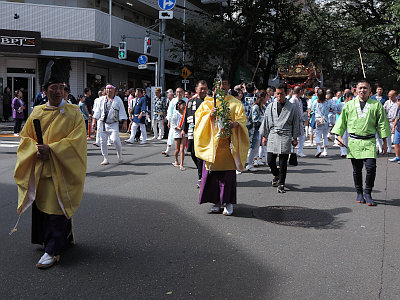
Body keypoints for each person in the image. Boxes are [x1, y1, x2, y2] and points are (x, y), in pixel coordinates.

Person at [13, 62, 87, 268]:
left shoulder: (74, 114)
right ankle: (61, 238)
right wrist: (35, 150)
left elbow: (77, 142)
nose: (57, 91)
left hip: (60, 169)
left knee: (56, 206)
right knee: (43, 207)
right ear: (45, 91)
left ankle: (53, 250)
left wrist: (52, 149)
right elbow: (25, 138)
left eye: (60, 87)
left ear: (65, 91)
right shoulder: (37, 112)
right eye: (52, 88)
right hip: (40, 167)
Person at [194, 77, 249, 216]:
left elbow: (242, 119)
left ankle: (228, 202)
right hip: (212, 145)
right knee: (213, 176)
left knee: (228, 176)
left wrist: (236, 123)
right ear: (215, 86)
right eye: (219, 84)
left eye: (225, 84)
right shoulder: (208, 103)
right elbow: (198, 118)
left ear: (229, 85)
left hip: (228, 144)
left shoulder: (235, 103)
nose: (222, 87)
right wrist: (209, 115)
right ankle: (216, 202)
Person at [333, 80, 391, 206]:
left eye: (365, 88)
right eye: (360, 88)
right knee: (357, 170)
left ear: (370, 90)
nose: (362, 90)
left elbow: (382, 124)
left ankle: (368, 192)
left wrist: (385, 142)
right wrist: (339, 136)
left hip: (369, 141)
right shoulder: (349, 105)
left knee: (371, 168)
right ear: (356, 90)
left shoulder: (376, 105)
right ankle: (359, 192)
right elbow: (342, 121)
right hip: (354, 141)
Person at [260, 84, 300, 193]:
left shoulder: (292, 107)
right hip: (273, 133)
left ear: (286, 94)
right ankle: (276, 175)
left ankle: (281, 183)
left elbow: (296, 122)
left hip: (286, 134)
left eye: (281, 94)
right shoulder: (270, 106)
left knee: (283, 162)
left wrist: (294, 138)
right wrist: (264, 136)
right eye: (277, 93)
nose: (279, 96)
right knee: (270, 160)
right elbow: (266, 121)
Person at [92, 84, 128, 165]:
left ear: (114, 91)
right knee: (102, 142)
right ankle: (105, 158)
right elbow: (97, 111)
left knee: (115, 140)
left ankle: (119, 154)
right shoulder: (101, 100)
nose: (109, 91)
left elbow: (122, 111)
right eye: (107, 90)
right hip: (102, 123)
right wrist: (94, 121)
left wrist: (125, 122)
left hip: (113, 123)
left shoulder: (118, 100)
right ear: (105, 91)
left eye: (110, 90)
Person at [182, 80, 208, 187]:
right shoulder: (190, 101)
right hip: (192, 131)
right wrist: (184, 129)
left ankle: (201, 177)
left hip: (205, 132)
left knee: (200, 156)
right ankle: (202, 173)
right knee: (193, 153)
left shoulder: (209, 101)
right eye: (201, 88)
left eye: (205, 88)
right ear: (196, 89)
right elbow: (186, 115)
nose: (203, 90)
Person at [246, 91, 267, 171]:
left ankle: (250, 163)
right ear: (263, 98)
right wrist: (264, 120)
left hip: (259, 130)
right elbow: (255, 119)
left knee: (256, 148)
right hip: (253, 130)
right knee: (253, 147)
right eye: (266, 97)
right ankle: (249, 164)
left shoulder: (263, 107)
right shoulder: (256, 107)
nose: (267, 99)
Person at [162, 88, 187, 156]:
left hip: (183, 119)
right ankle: (167, 150)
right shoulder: (173, 100)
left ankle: (183, 150)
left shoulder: (186, 100)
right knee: (171, 135)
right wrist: (169, 120)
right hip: (175, 120)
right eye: (177, 92)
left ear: (183, 93)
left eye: (180, 92)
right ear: (175, 93)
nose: (179, 93)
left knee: (183, 135)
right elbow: (170, 110)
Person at [312, 88, 332, 157]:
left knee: (318, 135)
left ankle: (318, 149)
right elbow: (331, 109)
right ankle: (325, 151)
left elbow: (313, 110)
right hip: (326, 120)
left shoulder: (315, 102)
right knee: (325, 136)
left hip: (318, 120)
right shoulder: (328, 102)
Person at [290, 86, 306, 157]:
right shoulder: (293, 100)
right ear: (300, 91)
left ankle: (300, 151)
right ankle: (290, 151)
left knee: (302, 136)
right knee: (292, 136)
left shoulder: (299, 100)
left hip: (300, 120)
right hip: (294, 121)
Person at [336, 91, 354, 157]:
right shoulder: (340, 104)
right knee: (342, 137)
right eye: (351, 98)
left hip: (350, 122)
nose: (352, 99)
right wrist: (341, 114)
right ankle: (343, 152)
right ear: (346, 97)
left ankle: (347, 150)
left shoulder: (353, 104)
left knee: (348, 137)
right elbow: (336, 110)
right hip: (342, 122)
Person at [171, 99, 187, 171]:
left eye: (184, 105)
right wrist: (179, 128)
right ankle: (176, 160)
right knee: (177, 149)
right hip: (177, 132)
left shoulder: (186, 113)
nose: (184, 106)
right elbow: (173, 124)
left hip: (184, 132)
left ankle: (182, 164)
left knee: (182, 149)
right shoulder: (175, 114)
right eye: (182, 105)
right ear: (179, 106)